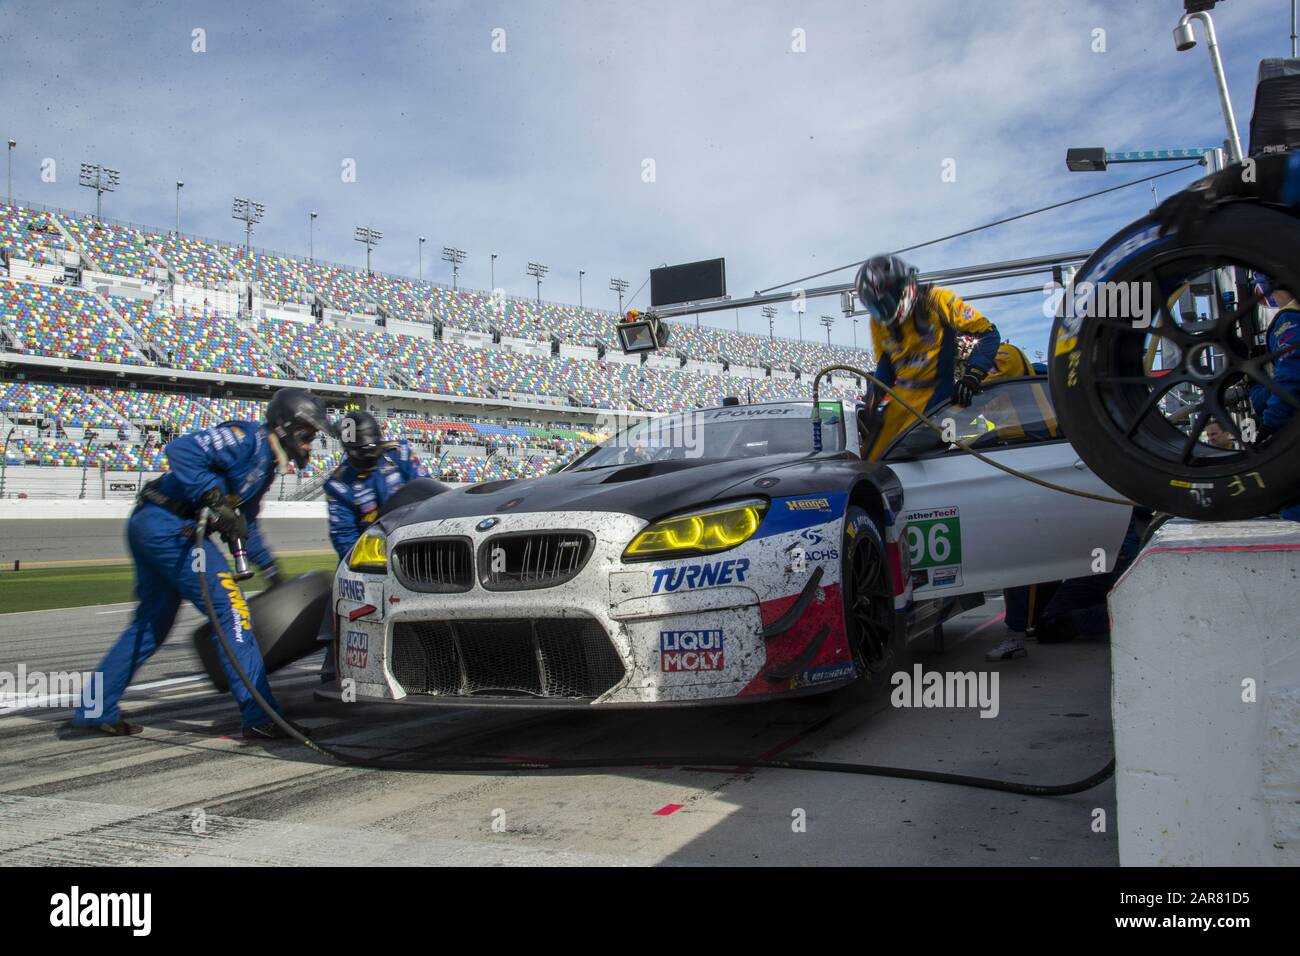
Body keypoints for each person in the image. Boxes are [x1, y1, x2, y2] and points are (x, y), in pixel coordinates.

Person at [65, 388, 332, 739]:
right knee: (232, 612)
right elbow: (181, 450)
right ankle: (260, 715)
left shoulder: (265, 467)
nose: (310, 445)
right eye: (307, 435)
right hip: (170, 527)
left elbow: (245, 522)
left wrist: (269, 568)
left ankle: (94, 708)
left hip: (159, 526)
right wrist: (214, 498)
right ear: (284, 426)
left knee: (150, 625)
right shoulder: (245, 439)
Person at [855, 254, 1002, 459]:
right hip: (900, 399)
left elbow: (989, 333)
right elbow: (885, 367)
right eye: (875, 307)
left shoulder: (938, 299)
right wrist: (873, 397)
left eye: (885, 303)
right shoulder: (877, 322)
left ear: (903, 288)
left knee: (904, 456)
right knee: (871, 456)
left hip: (936, 397)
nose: (882, 313)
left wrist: (972, 376)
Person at [319, 410, 430, 680]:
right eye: (359, 451)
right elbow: (342, 534)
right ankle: (334, 661)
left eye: (371, 448)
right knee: (341, 585)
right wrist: (366, 564)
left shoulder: (400, 454)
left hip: (415, 542)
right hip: (372, 551)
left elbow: (426, 490)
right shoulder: (338, 484)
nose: (368, 455)